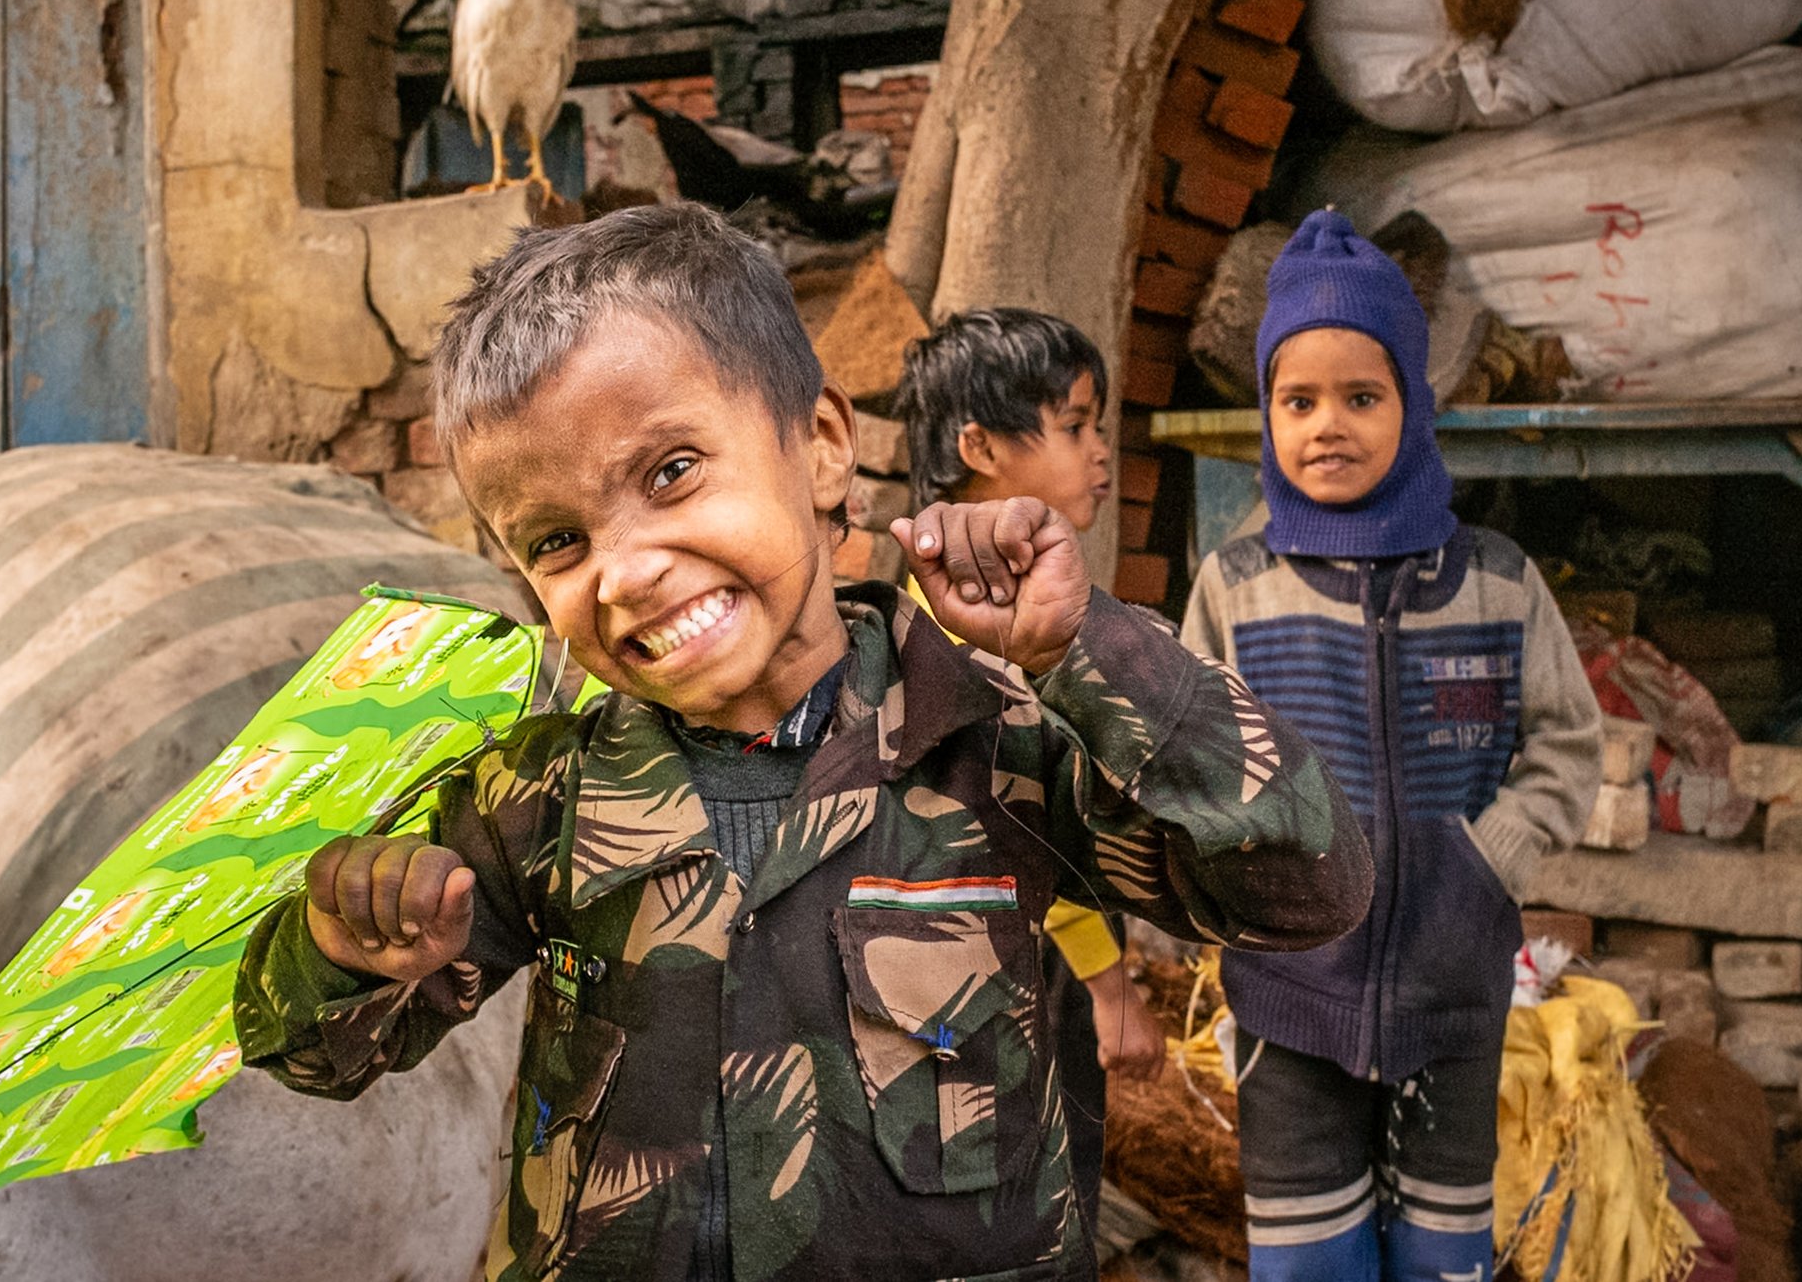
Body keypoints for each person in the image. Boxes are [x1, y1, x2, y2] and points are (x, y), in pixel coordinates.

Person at [233, 203, 1375, 1282]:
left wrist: (1088, 648)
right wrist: (341, 947)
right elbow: (312, 1051)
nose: (625, 569)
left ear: (821, 444)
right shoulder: (535, 797)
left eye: (671, 471)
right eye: (556, 539)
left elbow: (1300, 890)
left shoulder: (1000, 733)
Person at [1178, 211, 1601, 1282]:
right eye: (1297, 399)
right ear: (1265, 412)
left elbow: (1565, 743)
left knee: (1441, 1251)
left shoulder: (1498, 581)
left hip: (1451, 992)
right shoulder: (1236, 586)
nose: (1328, 424)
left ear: (1413, 408)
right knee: (1309, 1259)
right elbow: (1187, 759)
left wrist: (1482, 857)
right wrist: (1238, 881)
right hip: (1288, 998)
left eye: (1361, 396)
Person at [890, 309, 1168, 1241]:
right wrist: (1110, 986)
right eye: (1077, 424)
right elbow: (1025, 816)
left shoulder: (916, 601)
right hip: (1024, 979)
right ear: (979, 445)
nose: (1100, 453)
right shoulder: (984, 622)